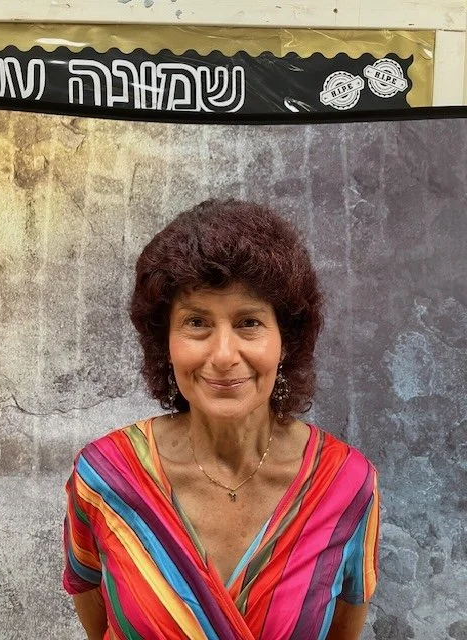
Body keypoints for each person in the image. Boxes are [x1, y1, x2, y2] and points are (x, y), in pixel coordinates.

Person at [62, 199, 380, 640]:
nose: (224, 355)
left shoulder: (346, 484)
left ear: (285, 340)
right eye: (197, 322)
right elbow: (96, 612)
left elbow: (345, 627)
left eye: (249, 322)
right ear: (165, 341)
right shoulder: (104, 477)